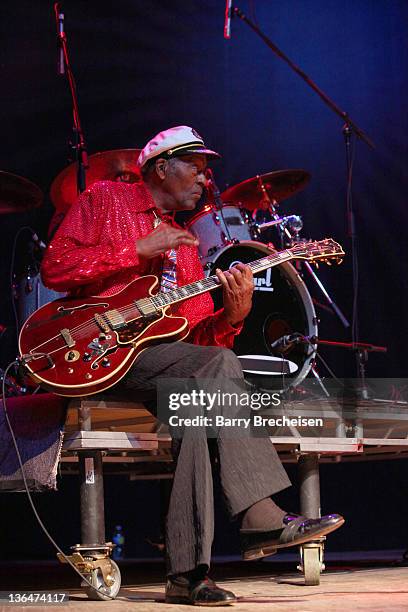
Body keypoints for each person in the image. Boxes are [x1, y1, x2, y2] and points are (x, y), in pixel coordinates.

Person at [41, 126, 344, 606]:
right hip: (90, 352)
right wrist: (136, 249)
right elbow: (56, 267)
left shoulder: (185, 247)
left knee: (197, 411)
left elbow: (197, 342)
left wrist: (234, 314)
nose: (206, 180)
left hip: (154, 361)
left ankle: (188, 578)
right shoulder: (107, 199)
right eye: (197, 168)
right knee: (215, 372)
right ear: (162, 166)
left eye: (207, 172)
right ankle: (258, 517)